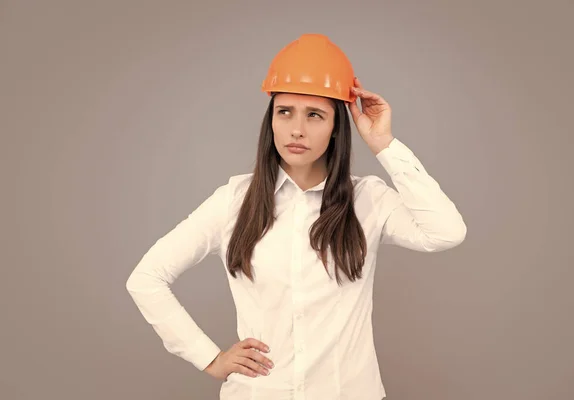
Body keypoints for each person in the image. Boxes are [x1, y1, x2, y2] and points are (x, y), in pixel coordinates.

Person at [126, 33, 467, 399]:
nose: (296, 129)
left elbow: (446, 232)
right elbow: (146, 279)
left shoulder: (368, 200)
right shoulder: (234, 201)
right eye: (284, 111)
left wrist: (384, 145)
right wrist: (209, 358)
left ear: (337, 127)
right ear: (270, 119)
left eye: (315, 115)